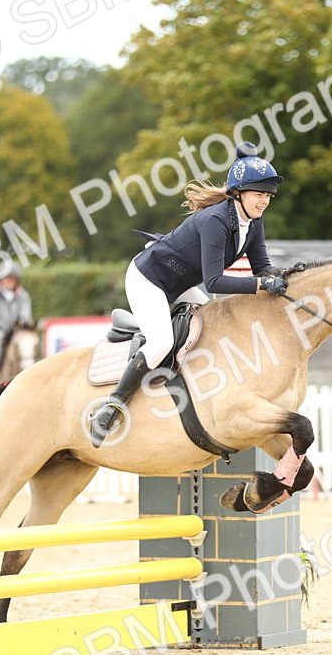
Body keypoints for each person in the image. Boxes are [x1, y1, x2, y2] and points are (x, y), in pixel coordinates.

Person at [89, 141, 289, 447]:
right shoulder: (216, 221)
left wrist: (286, 278)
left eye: (267, 195)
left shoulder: (254, 222)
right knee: (162, 341)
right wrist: (262, 286)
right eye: (259, 194)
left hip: (179, 284)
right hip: (149, 279)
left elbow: (263, 267)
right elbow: (214, 282)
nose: (264, 201)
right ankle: (112, 406)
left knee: (212, 324)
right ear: (238, 193)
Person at [0, 260, 33, 369]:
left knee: (28, 341)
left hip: (15, 331)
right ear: (1, 279)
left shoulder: (23, 296)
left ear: (17, 281)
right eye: (7, 278)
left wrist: (21, 327)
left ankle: (28, 367)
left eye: (12, 279)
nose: (9, 281)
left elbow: (25, 317)